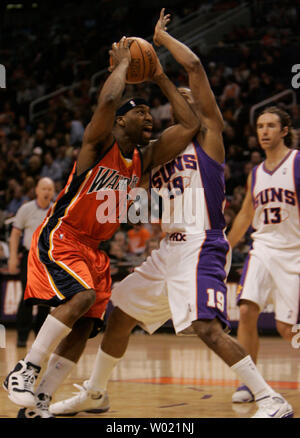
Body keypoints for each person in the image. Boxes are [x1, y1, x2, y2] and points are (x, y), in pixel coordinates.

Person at [49, 10, 293, 419]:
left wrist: (161, 54)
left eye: (190, 96)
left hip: (201, 243)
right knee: (121, 312)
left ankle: (270, 397)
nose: (187, 98)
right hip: (168, 250)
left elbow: (195, 66)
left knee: (206, 328)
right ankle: (95, 392)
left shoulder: (209, 139)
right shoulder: (158, 152)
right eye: (180, 96)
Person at [3, 32, 200, 418]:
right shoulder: (98, 144)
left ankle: (41, 396)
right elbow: (108, 99)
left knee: (85, 326)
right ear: (121, 120)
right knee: (81, 299)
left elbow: (191, 125)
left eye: (150, 112)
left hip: (95, 250)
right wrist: (125, 62)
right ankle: (23, 371)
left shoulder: (145, 158)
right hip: (62, 236)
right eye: (140, 112)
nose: (149, 117)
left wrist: (159, 75)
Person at [226, 106, 300, 404]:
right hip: (263, 249)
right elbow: (245, 215)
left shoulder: (297, 162)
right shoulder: (255, 173)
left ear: (285, 130)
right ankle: (249, 383)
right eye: (260, 126)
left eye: (271, 125)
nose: (264, 131)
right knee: (245, 311)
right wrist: (225, 247)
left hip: (294, 253)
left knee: (286, 328)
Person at [8, 177, 55, 347]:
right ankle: (22, 336)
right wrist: (13, 256)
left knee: (46, 300)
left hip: (48, 259)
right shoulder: (25, 209)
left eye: (49, 189)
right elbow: (15, 234)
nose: (46, 192)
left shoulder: (56, 210)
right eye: (43, 188)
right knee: (27, 297)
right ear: (36, 190)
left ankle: (40, 340)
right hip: (29, 257)